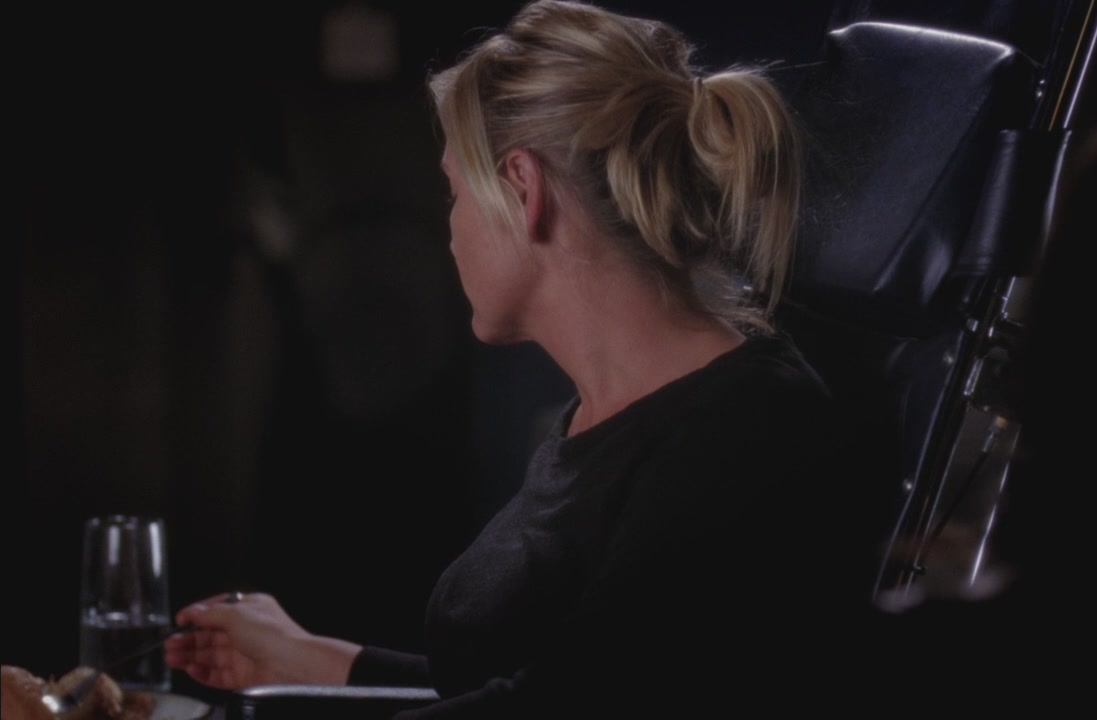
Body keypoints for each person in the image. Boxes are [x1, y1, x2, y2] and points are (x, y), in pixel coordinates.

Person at [164, 1, 886, 716]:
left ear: (522, 188)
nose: (451, 232)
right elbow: (561, 685)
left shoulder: (747, 436)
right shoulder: (611, 414)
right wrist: (316, 662)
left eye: (454, 192)